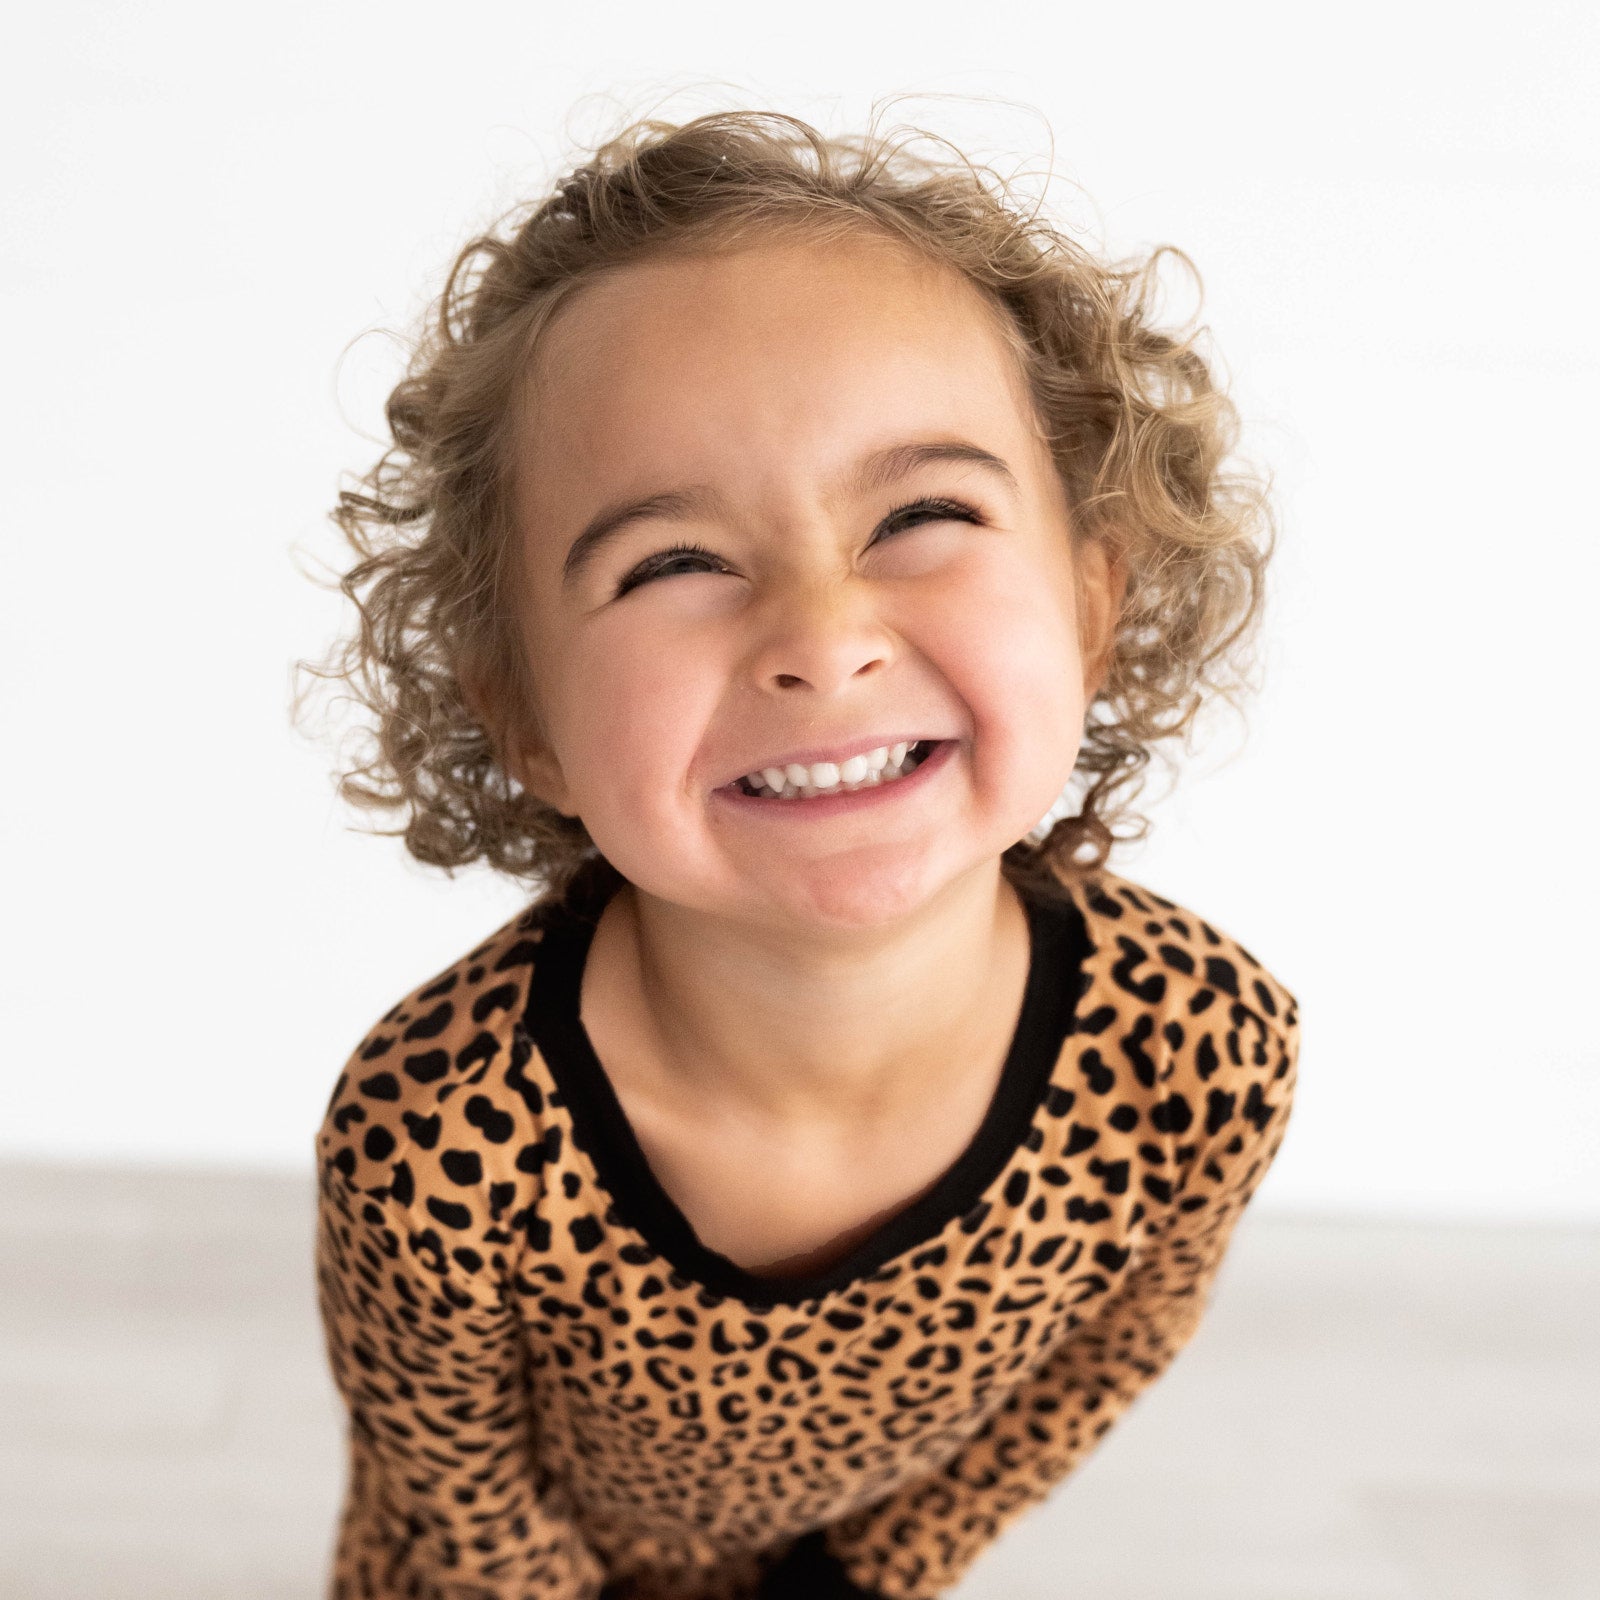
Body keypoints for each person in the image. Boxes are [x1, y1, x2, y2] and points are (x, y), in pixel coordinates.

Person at [297, 105, 1300, 1600]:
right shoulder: (439, 1136)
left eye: (923, 514)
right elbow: (450, 1487)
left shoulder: (1199, 1050)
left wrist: (870, 1578)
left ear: (1093, 606)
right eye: (676, 562)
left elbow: (1103, 1361)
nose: (823, 643)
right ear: (525, 718)